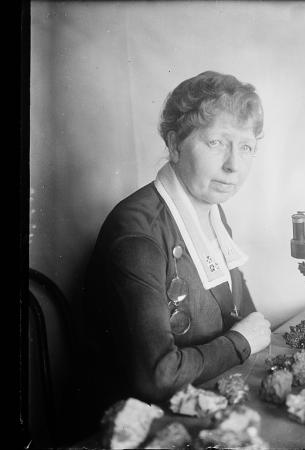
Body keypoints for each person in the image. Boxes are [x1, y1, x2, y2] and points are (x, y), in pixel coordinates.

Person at [80, 71, 272, 425]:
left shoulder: (212, 213)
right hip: (137, 427)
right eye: (217, 142)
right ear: (174, 144)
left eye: (246, 147)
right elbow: (158, 378)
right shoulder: (138, 235)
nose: (233, 165)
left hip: (201, 402)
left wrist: (247, 335)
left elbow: (244, 317)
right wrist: (240, 342)